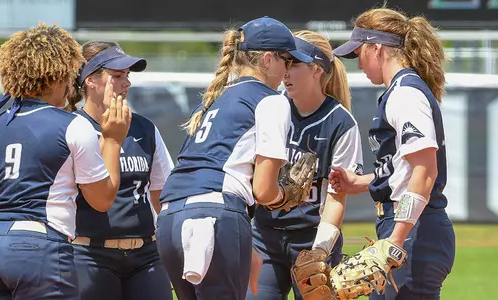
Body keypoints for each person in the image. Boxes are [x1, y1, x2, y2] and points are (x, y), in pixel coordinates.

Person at [0, 24, 130, 299]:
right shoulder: (72, 125)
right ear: (58, 73)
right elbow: (102, 199)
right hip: (38, 248)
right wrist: (113, 140)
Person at [155, 16, 314, 300]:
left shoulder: (215, 97)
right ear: (267, 59)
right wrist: (284, 196)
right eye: (286, 60)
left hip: (169, 217)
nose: (288, 69)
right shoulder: (270, 99)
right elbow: (263, 190)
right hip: (215, 215)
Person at [330, 8, 455, 299]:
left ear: (376, 49)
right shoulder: (400, 91)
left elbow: (425, 170)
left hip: (414, 229)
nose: (358, 64)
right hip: (411, 227)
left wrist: (396, 241)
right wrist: (358, 184)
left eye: (359, 53)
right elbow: (404, 169)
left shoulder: (406, 94)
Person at [247, 30, 364, 300]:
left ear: (317, 69)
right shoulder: (271, 109)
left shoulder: (340, 123)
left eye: (294, 63)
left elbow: (336, 199)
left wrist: (319, 253)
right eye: (283, 62)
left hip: (313, 238)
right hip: (265, 236)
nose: (285, 71)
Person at [66, 41, 175, 300]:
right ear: (91, 80)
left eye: (127, 75)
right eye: (117, 76)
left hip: (146, 255)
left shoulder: (144, 128)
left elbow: (163, 194)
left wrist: (176, 247)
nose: (127, 83)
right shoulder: (71, 126)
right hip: (90, 255)